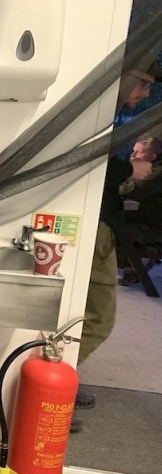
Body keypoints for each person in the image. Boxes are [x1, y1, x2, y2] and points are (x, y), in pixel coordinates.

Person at [76, 70, 156, 418]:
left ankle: (58, 380)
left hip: (94, 224)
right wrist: (130, 171)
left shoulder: (96, 113)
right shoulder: (99, 117)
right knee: (99, 319)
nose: (146, 92)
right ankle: (47, 388)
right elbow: (81, 164)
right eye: (143, 83)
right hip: (98, 230)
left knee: (75, 315)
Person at [117, 135, 162, 285]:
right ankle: (131, 265)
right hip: (145, 218)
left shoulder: (158, 173)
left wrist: (110, 188)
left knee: (112, 225)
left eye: (139, 152)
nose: (133, 155)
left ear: (152, 156)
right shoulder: (146, 168)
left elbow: (133, 190)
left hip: (154, 227)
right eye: (133, 151)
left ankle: (135, 266)